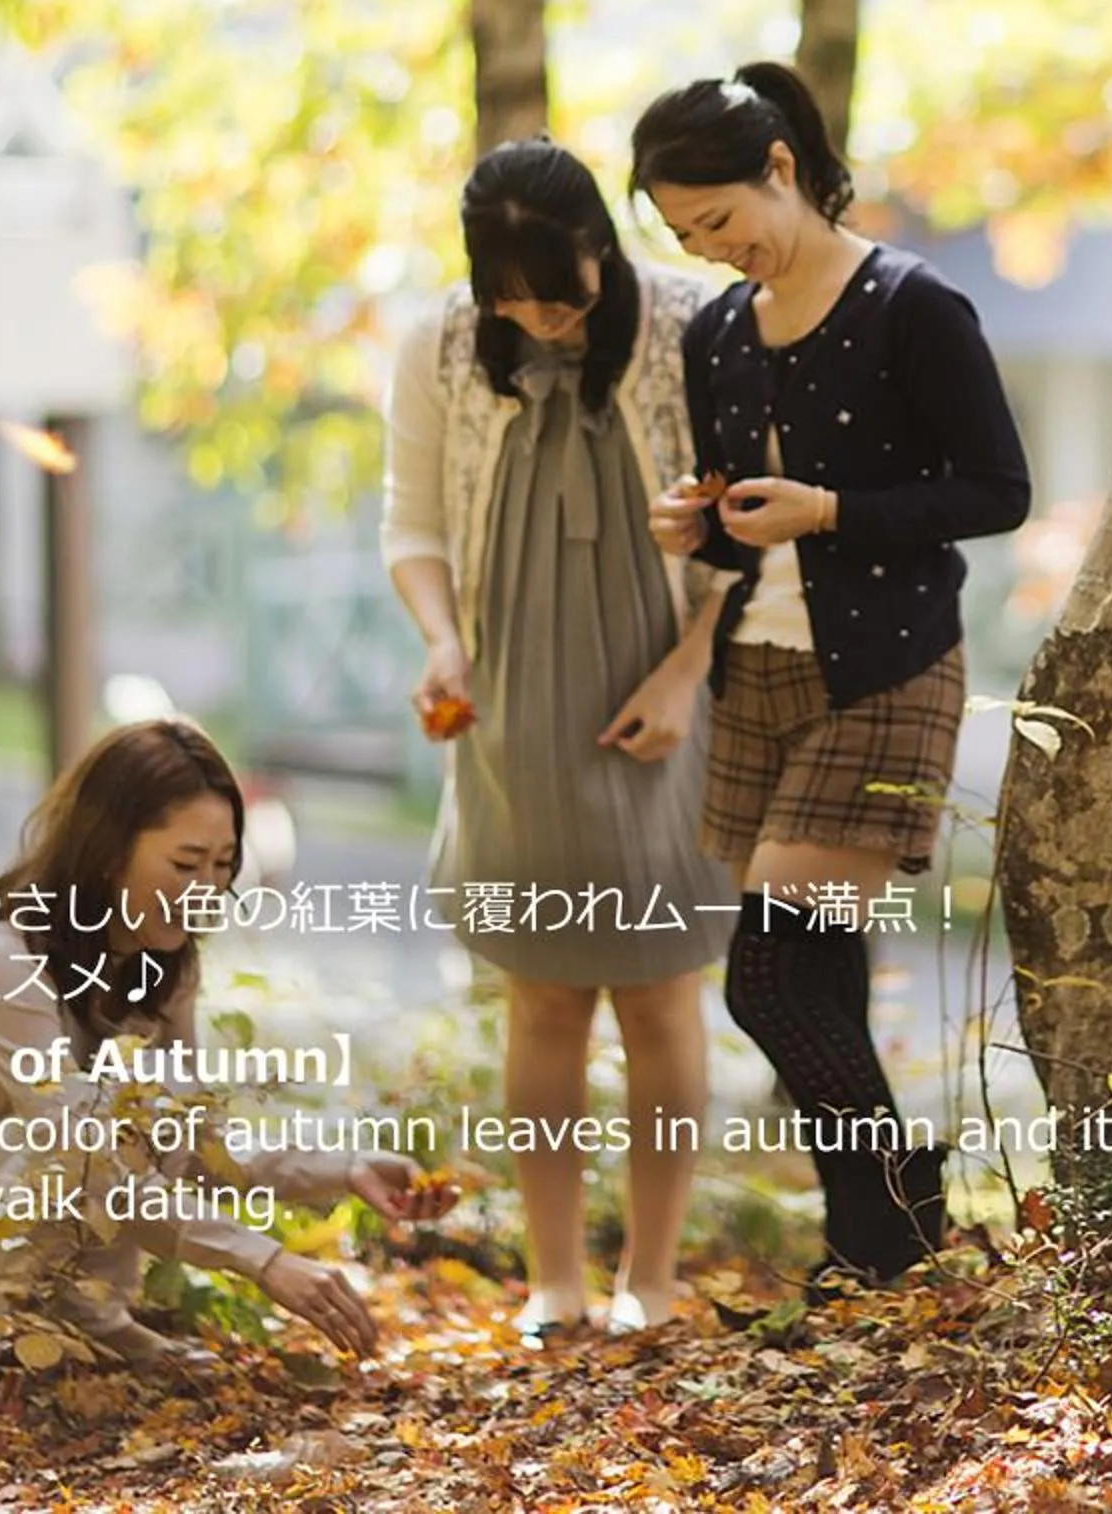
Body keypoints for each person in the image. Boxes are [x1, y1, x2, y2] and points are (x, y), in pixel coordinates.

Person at [631, 63, 1031, 1284]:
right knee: (817, 976)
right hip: (754, 673)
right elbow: (740, 516)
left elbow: (997, 491)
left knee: (764, 978)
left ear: (782, 169)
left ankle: (899, 1207)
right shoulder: (715, 334)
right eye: (688, 237)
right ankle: (872, 1248)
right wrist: (695, 523)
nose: (715, 250)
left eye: (721, 219)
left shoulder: (912, 305)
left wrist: (832, 510)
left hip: (886, 667)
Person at [380, 140, 737, 1341]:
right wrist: (443, 642)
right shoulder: (439, 345)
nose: (540, 319)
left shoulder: (692, 326)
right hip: (512, 693)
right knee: (541, 997)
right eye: (515, 299)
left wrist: (689, 671)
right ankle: (554, 1280)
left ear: (603, 248)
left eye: (563, 294)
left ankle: (653, 1276)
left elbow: (757, 519)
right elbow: (411, 524)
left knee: (661, 992)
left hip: (663, 684)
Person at [0, 718, 452, 1411]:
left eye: (222, 864)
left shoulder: (162, 968)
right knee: (91, 1123)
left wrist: (343, 1170)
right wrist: (261, 1259)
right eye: (185, 863)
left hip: (6, 1217)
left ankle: (85, 1318)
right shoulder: (3, 960)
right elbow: (84, 1159)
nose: (207, 889)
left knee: (151, 1105)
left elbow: (194, 1146)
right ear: (109, 850)